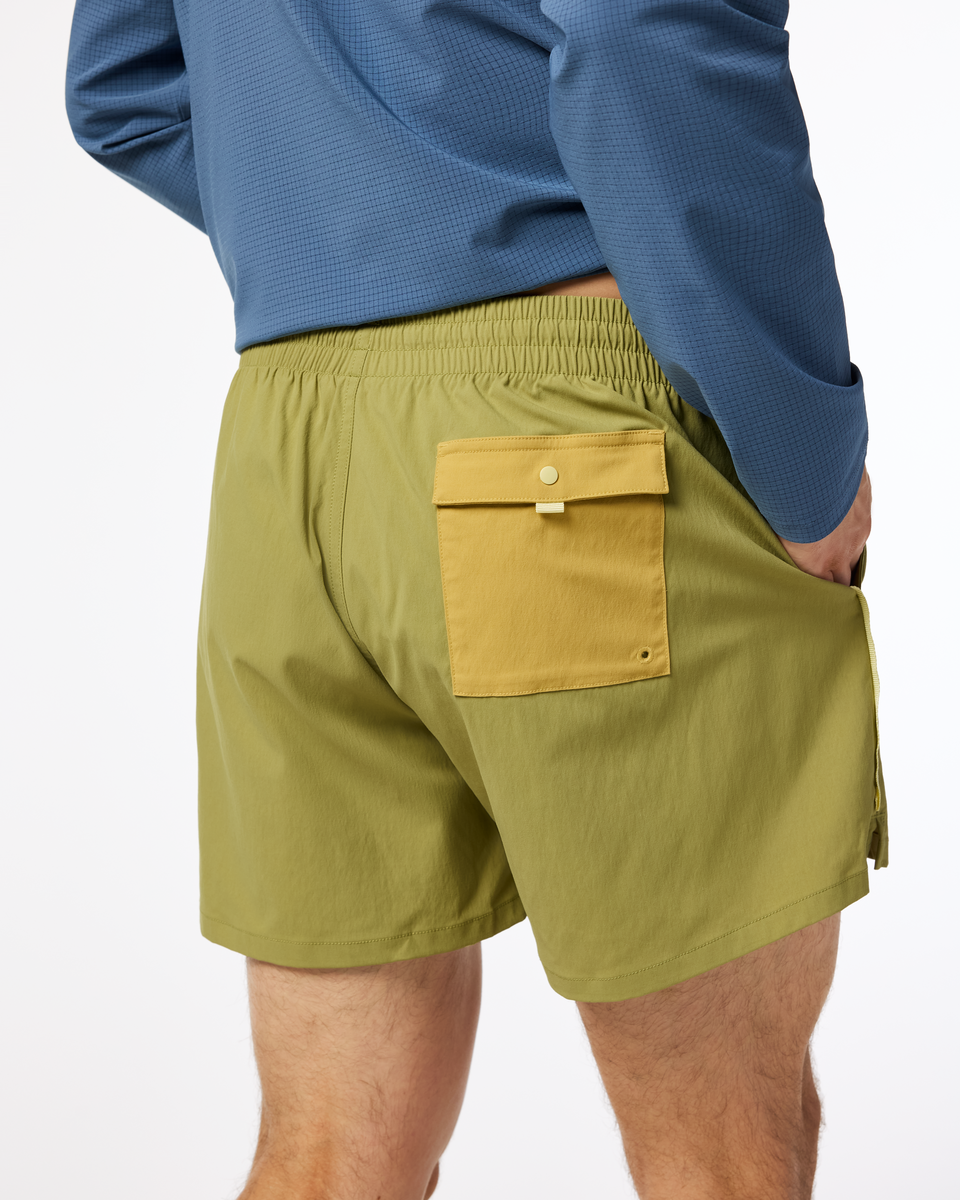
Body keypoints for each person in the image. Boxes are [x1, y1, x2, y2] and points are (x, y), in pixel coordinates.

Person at [65, 1, 886, 1196]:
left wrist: (357, 228)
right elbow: (643, 26)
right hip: (566, 434)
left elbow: (121, 85)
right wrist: (804, 456)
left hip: (291, 455)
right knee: (720, 1159)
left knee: (328, 1155)